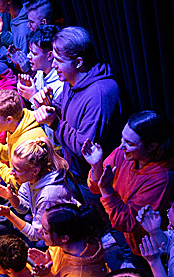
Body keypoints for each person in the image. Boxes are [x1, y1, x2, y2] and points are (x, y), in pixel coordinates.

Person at [33, 26, 123, 202]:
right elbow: (62, 108)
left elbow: (85, 149)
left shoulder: (100, 94)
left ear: (79, 62)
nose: (53, 65)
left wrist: (54, 123)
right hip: (76, 174)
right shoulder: (71, 80)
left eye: (59, 60)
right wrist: (48, 105)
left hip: (95, 183)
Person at [82, 110, 174, 257]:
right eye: (122, 139)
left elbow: (128, 222)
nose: (121, 146)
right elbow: (95, 188)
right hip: (131, 241)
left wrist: (106, 188)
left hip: (152, 248)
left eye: (129, 143)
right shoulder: (123, 154)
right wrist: (96, 166)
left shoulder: (162, 178)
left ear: (151, 146)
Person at [0, 138, 78, 243]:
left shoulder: (48, 197)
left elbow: (37, 235)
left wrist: (9, 215)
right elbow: (24, 208)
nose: (11, 173)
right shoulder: (30, 179)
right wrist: (11, 197)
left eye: (17, 170)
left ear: (35, 171)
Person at [0, 88, 47, 187]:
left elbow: (18, 182)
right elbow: (12, 153)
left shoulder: (28, 141)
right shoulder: (17, 126)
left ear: (9, 119)